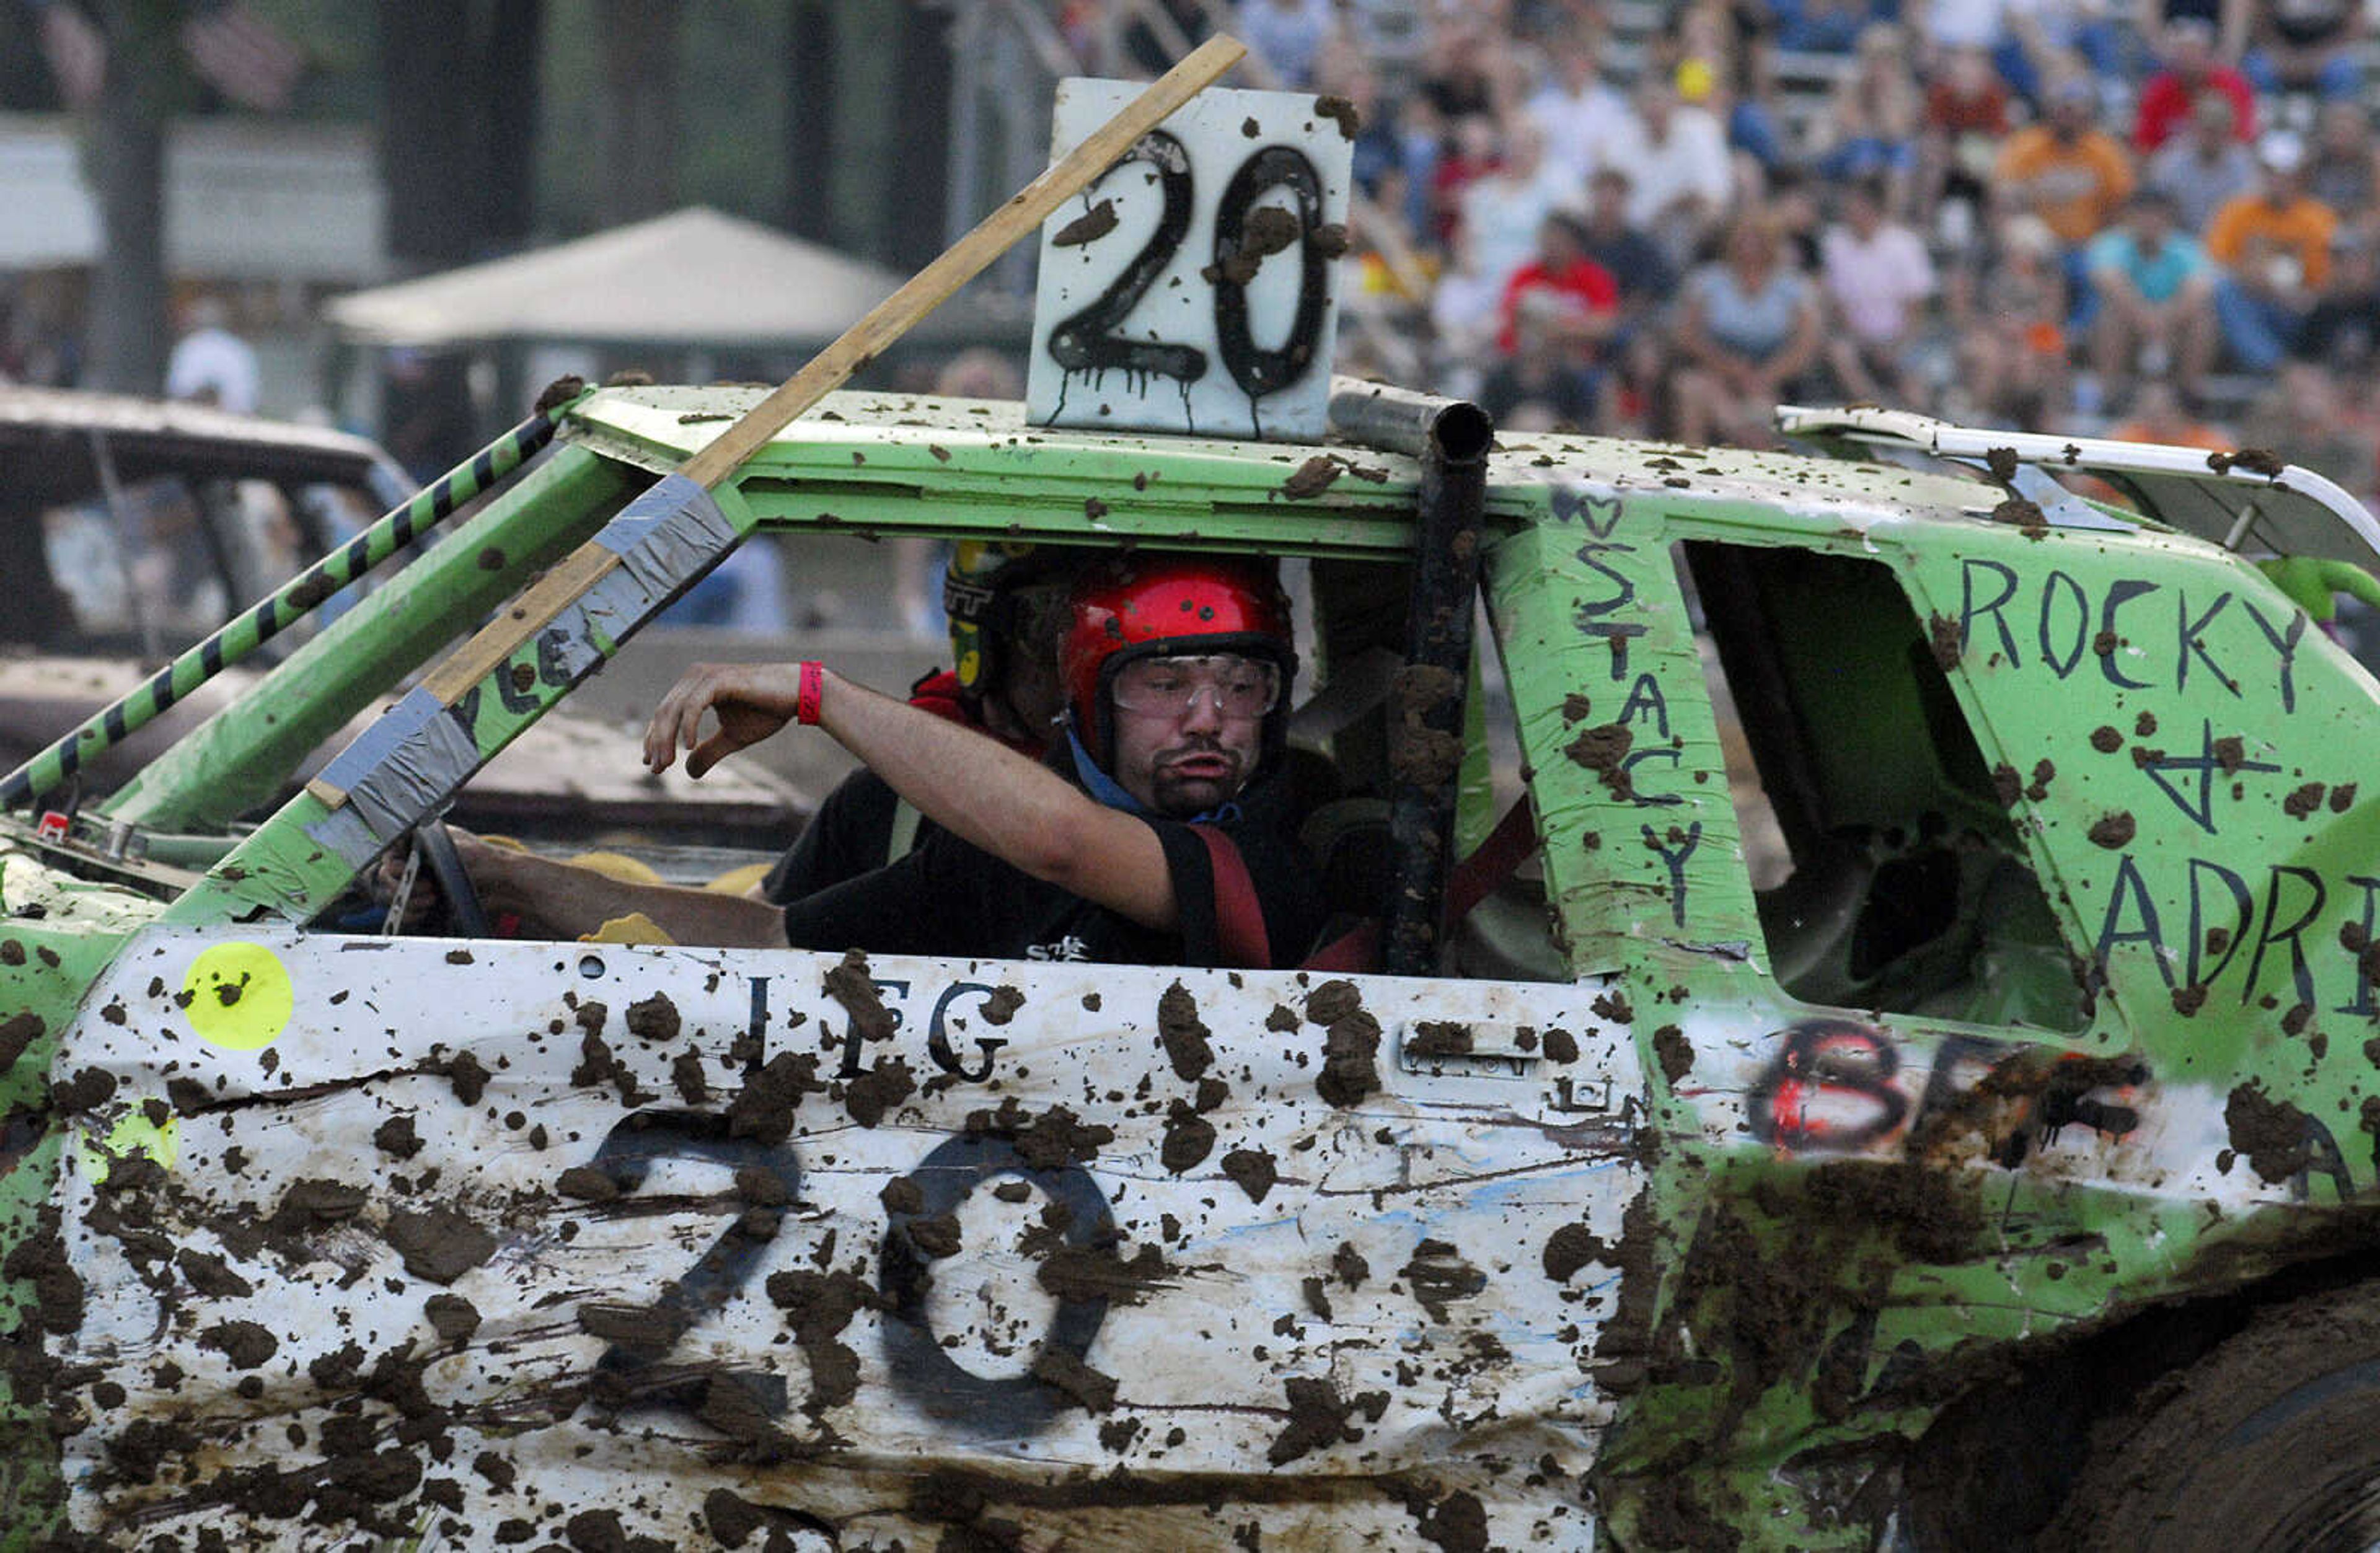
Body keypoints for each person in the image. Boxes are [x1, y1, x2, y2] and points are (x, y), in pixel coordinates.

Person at [389, 553, 1325, 970]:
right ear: (1089, 698)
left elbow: (1062, 841)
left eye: (1242, 686)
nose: (1209, 719)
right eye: (1164, 685)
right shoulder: (981, 855)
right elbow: (765, 940)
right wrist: (508, 875)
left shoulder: (1283, 845)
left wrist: (818, 696)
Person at [756, 541, 1072, 903]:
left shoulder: (1137, 799)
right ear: (986, 639)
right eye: (1054, 633)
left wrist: (820, 694)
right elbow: (757, 931)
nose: (1080, 666)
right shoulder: (884, 800)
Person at [2206, 131, 2338, 374]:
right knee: (2224, 291)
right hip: (2255, 301)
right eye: (2271, 172)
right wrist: (2256, 280)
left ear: (2301, 176)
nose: (2278, 181)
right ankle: (2277, 367)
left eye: (2286, 174)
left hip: (2302, 307)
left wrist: (2305, 296)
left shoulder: (2319, 217)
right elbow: (2216, 264)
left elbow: (2328, 276)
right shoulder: (2237, 211)